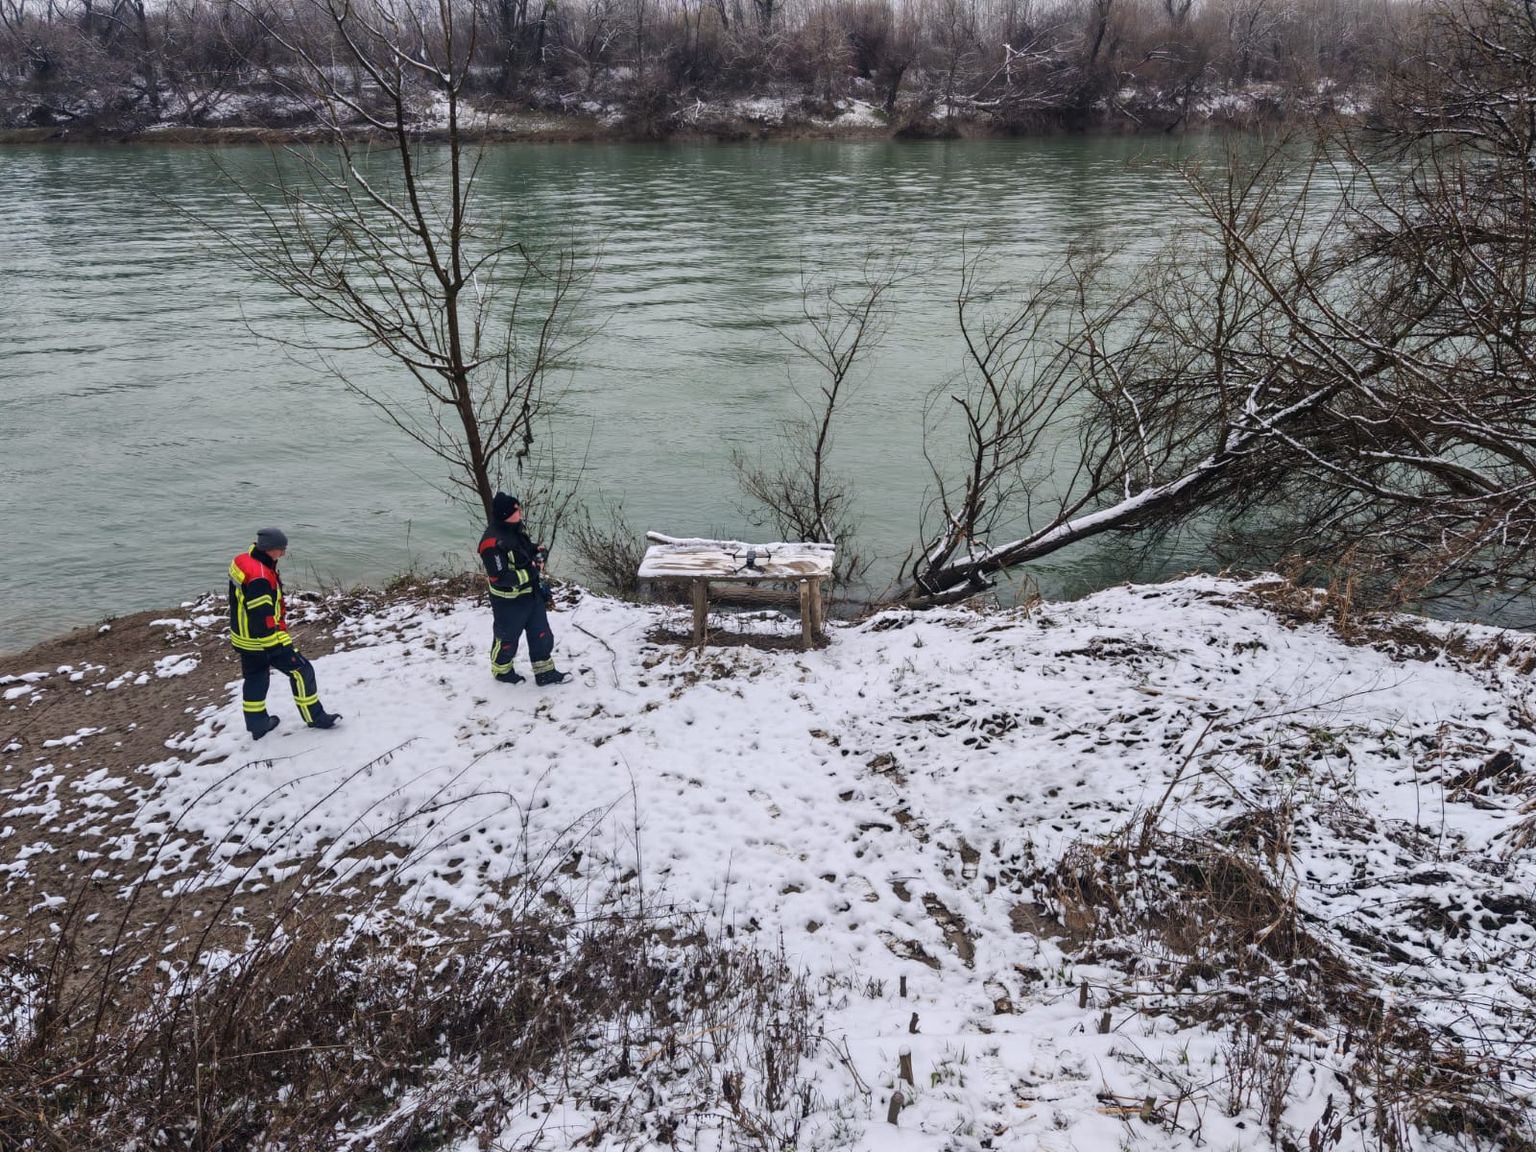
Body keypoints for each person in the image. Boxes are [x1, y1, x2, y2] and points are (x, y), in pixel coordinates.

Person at [228, 527, 341, 739]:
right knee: (302, 671)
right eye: (281, 549)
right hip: (263, 640)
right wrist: (274, 646)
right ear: (269, 549)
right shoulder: (261, 578)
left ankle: (258, 725)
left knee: (256, 679)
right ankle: (316, 717)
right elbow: (262, 616)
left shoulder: (241, 561)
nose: (284, 553)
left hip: (242, 637)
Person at [477, 492, 571, 686]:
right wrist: (532, 571)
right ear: (506, 514)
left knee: (542, 635)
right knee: (507, 639)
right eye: (516, 509)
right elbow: (500, 578)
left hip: (532, 595)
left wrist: (538, 551)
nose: (520, 511)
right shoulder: (491, 544)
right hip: (509, 602)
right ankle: (502, 671)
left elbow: (523, 550)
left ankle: (545, 673)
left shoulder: (516, 528)